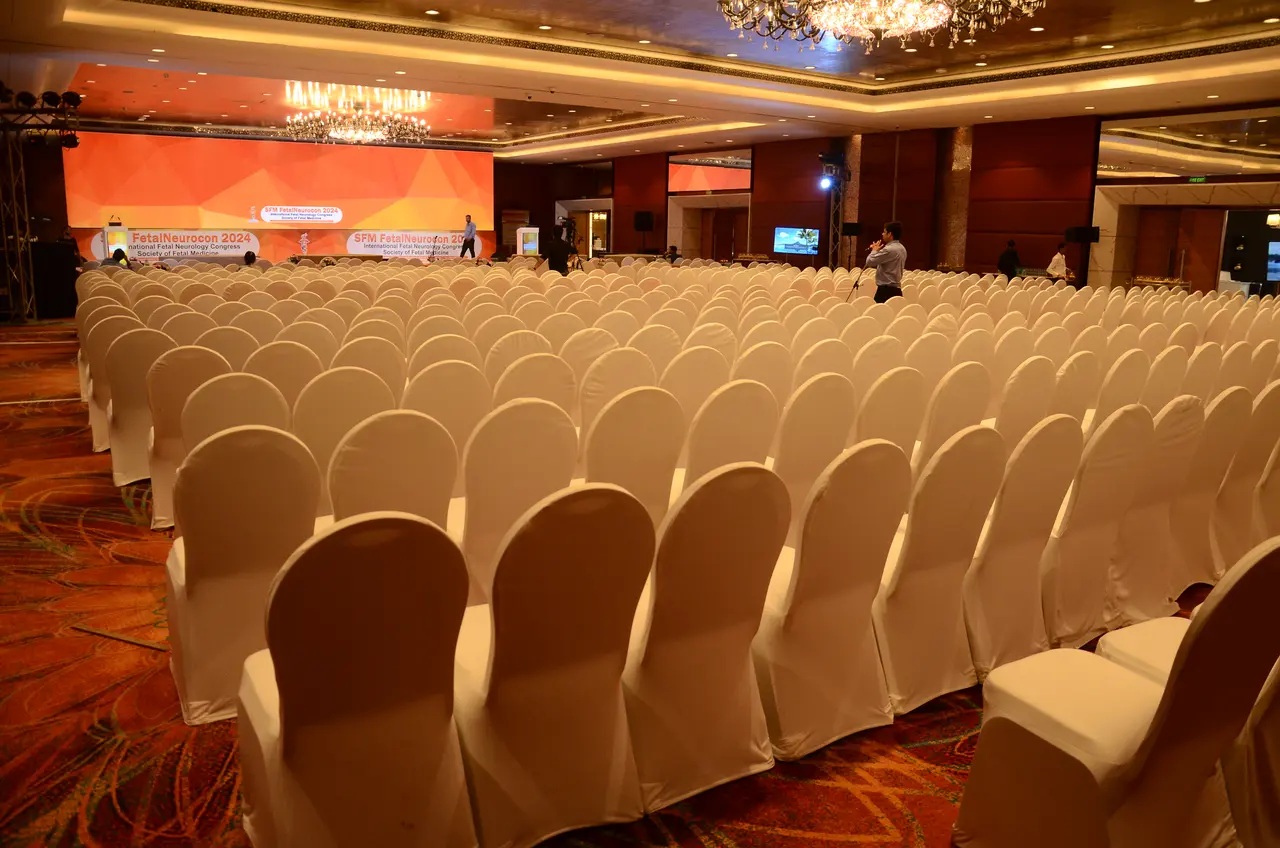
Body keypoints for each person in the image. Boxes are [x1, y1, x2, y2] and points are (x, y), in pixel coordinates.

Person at [864, 221, 907, 302]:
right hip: (897, 290)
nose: (882, 234)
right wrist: (878, 252)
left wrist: (874, 250)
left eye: (884, 232)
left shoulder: (888, 249)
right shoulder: (902, 248)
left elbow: (869, 262)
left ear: (890, 234)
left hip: (885, 292)